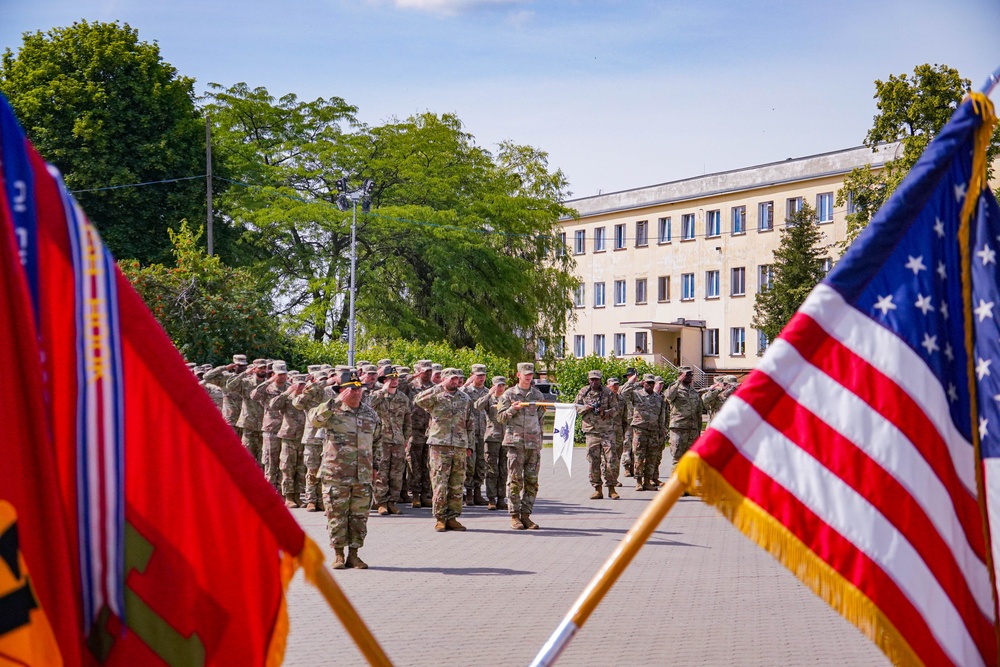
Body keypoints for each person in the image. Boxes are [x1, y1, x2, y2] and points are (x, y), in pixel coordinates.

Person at [311, 370, 381, 570]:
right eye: (351, 389)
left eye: (359, 388)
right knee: (336, 516)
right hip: (336, 474)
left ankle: (355, 555)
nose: (356, 393)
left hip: (363, 475)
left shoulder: (370, 414)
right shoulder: (331, 411)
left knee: (359, 518)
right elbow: (314, 420)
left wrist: (375, 466)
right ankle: (339, 554)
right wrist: (333, 402)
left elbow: (377, 442)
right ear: (341, 391)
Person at [414, 368, 475, 532]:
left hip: (459, 445)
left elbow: (470, 424)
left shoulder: (465, 398)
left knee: (456, 484)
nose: (455, 382)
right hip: (439, 445)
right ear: (444, 379)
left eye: (458, 379)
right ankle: (440, 518)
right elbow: (418, 400)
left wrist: (470, 445)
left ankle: (453, 517)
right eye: (452, 379)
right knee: (440, 482)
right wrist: (438, 387)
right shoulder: (435, 395)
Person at [496, 362, 546, 530]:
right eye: (525, 374)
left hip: (533, 445)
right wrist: (512, 409)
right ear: (518, 375)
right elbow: (501, 418)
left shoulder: (537, 396)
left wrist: (540, 441)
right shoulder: (508, 395)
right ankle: (514, 516)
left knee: (532, 481)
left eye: (531, 374)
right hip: (515, 444)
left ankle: (526, 515)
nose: (528, 376)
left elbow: (541, 419)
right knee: (515, 481)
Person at [368, 366, 411, 516]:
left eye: (396, 378)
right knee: (381, 472)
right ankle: (380, 502)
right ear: (384, 380)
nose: (394, 381)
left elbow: (407, 420)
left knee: (397, 473)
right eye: (391, 378)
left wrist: (406, 438)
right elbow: (367, 406)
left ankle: (392, 502)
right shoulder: (377, 396)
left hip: (398, 440)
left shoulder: (403, 398)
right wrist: (382, 391)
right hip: (381, 440)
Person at [574, 370, 619, 500]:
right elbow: (576, 407)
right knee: (593, 461)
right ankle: (597, 489)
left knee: (611, 460)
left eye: (597, 379)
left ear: (600, 380)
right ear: (588, 380)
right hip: (591, 432)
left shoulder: (608, 393)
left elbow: (616, 409)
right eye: (592, 379)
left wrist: (605, 412)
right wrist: (586, 408)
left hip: (606, 431)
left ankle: (612, 488)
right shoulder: (583, 392)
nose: (594, 382)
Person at [270, 372, 308, 508]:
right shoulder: (286, 398)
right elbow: (273, 405)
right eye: (298, 384)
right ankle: (288, 496)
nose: (300, 386)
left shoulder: (307, 398)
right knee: (287, 467)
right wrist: (287, 392)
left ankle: (298, 496)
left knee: (301, 468)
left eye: (303, 384)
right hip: (289, 436)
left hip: (303, 437)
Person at [253, 360, 290, 492]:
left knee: (285, 462)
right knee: (270, 461)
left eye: (284, 374)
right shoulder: (267, 388)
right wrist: (269, 381)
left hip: (287, 429)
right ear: (273, 374)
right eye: (279, 374)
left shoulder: (289, 387)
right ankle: (269, 491)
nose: (282, 377)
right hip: (271, 428)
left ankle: (282, 492)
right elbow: (254, 396)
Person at [227, 358, 270, 469]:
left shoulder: (269, 384)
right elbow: (230, 386)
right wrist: (245, 373)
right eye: (260, 368)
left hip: (263, 427)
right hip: (248, 425)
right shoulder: (246, 382)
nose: (263, 370)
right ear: (254, 369)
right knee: (247, 459)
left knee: (263, 461)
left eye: (265, 368)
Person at [474, 376, 509, 510]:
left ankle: (501, 498)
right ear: (493, 386)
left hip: (506, 438)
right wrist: (489, 394)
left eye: (502, 385)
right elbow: (477, 406)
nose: (500, 388)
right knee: (492, 470)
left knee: (503, 470)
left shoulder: (508, 398)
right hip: (492, 437)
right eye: (498, 385)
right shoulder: (489, 399)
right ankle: (491, 499)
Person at [630, 373, 666, 491]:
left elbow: (662, 416)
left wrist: (662, 430)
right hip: (640, 430)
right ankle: (638, 481)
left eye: (652, 383)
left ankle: (647, 481)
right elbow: (623, 393)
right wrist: (635, 383)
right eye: (647, 383)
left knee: (652, 457)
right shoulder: (637, 395)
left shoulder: (659, 398)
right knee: (639, 456)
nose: (650, 385)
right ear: (643, 383)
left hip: (654, 431)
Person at [406, 360, 435, 508]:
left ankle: (425, 494)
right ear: (417, 371)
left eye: (430, 371)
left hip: (430, 430)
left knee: (428, 463)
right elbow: (396, 385)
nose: (428, 373)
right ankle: (415, 495)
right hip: (414, 429)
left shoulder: (434, 388)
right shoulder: (410, 387)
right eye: (424, 371)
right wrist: (412, 377)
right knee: (414, 463)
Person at [665, 367, 705, 471]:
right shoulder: (675, 389)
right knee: (677, 458)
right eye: (687, 374)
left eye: (691, 375)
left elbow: (698, 412)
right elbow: (668, 396)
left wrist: (698, 431)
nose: (690, 377)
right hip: (678, 428)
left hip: (692, 429)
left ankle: (688, 484)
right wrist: (678, 380)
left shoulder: (694, 392)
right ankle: (677, 485)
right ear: (680, 375)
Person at [461, 364, 489, 506]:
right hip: (469, 433)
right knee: (469, 465)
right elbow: (457, 397)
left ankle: (478, 492)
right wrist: (465, 384)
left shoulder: (487, 392)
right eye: (478, 375)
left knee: (481, 464)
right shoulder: (466, 391)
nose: (481, 378)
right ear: (472, 375)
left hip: (483, 433)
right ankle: (469, 493)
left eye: (483, 375)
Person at [203, 354, 249, 438]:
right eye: (239, 365)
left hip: (245, 421)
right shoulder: (226, 378)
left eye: (244, 365)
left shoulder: (249, 379)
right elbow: (206, 377)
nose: (242, 368)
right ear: (234, 366)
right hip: (230, 419)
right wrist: (225, 368)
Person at [619, 367, 639, 477]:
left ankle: (634, 467)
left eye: (634, 376)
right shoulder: (624, 388)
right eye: (630, 376)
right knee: (627, 445)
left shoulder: (639, 389)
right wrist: (631, 383)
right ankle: (626, 467)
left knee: (636, 446)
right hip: (627, 421)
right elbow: (623, 393)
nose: (633, 378)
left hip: (637, 421)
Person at [607, 377, 625, 487]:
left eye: (617, 385)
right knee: (608, 456)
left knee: (618, 454)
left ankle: (615, 479)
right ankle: (606, 477)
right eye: (613, 385)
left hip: (618, 431)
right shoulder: (604, 398)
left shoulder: (621, 400)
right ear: (608, 386)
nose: (615, 387)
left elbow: (624, 416)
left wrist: (625, 430)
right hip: (607, 431)